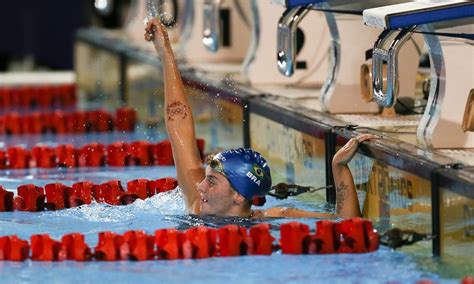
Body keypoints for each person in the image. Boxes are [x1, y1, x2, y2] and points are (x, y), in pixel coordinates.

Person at [144, 18, 378, 219]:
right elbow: (178, 122)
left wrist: (339, 167)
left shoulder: (275, 218)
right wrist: (165, 52)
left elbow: (344, 224)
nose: (200, 186)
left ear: (238, 195)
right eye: (207, 179)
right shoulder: (198, 203)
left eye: (212, 182)